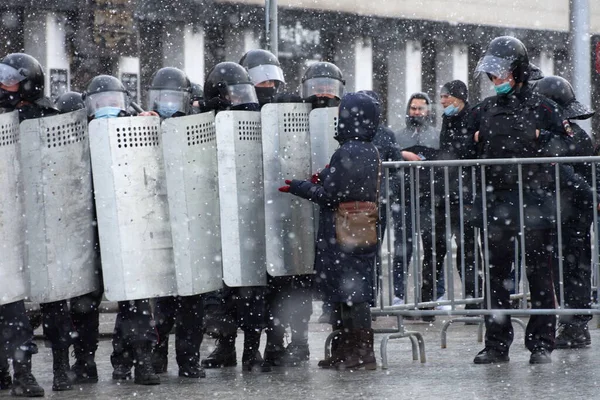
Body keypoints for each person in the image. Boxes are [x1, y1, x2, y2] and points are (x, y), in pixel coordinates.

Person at [469, 36, 569, 365]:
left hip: (536, 201)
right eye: (492, 75)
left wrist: (539, 138)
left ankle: (541, 343)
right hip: (497, 200)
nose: (496, 81)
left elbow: (569, 146)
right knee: (496, 276)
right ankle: (496, 344)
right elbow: (459, 150)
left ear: (519, 72)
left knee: (540, 273)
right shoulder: (483, 110)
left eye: (502, 74)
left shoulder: (544, 107)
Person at [279, 91, 380, 370]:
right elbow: (344, 184)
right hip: (358, 229)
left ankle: (359, 353)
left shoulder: (349, 150)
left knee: (352, 296)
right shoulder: (366, 148)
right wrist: (325, 176)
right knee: (349, 294)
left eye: (341, 115)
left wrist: (300, 187)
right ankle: (350, 352)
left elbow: (331, 195)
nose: (338, 120)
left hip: (344, 229)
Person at [82, 75, 160, 385]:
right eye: (101, 103)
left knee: (136, 298)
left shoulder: (134, 125)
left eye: (113, 101)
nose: (107, 107)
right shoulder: (80, 129)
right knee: (86, 301)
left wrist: (149, 124)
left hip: (129, 225)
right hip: (91, 229)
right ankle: (85, 362)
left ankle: (137, 359)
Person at [200, 61, 270, 372]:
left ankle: (252, 350)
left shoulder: (255, 121)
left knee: (252, 289)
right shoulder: (204, 124)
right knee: (224, 290)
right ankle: (226, 348)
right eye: (234, 93)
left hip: (250, 217)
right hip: (217, 219)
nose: (241, 98)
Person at [137, 67, 206, 379]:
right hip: (160, 224)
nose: (167, 103)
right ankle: (158, 356)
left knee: (192, 303)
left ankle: (189, 361)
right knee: (163, 302)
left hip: (191, 223)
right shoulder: (145, 124)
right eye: (162, 97)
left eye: (173, 97)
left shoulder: (197, 126)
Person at [534, 75, 595, 349]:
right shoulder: (573, 133)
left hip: (571, 211)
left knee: (571, 268)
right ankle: (573, 324)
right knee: (570, 267)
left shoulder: (567, 136)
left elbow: (567, 174)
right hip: (568, 210)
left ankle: (575, 327)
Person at [0, 52, 47, 397]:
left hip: (16, 227)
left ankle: (23, 373)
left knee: (13, 306)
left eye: (11, 81)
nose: (3, 87)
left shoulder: (38, 117)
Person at [300, 61, 345, 324]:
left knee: (333, 261)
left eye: (329, 88)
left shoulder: (345, 118)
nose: (323, 93)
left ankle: (332, 308)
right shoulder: (295, 114)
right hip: (302, 205)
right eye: (317, 87)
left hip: (329, 204)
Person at [392, 92, 444, 315]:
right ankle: (398, 295)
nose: (417, 112)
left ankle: (435, 295)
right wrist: (402, 153)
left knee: (433, 250)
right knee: (402, 249)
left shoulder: (437, 136)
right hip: (403, 199)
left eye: (421, 108)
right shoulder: (398, 136)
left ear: (428, 111)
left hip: (430, 199)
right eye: (413, 108)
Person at [433, 80, 481, 310]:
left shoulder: (472, 116)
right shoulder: (448, 118)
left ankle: (474, 299)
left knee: (468, 248)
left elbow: (463, 151)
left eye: (445, 97)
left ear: (459, 97)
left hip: (466, 193)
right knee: (437, 248)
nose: (442, 102)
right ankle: (428, 302)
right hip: (447, 192)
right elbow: (447, 151)